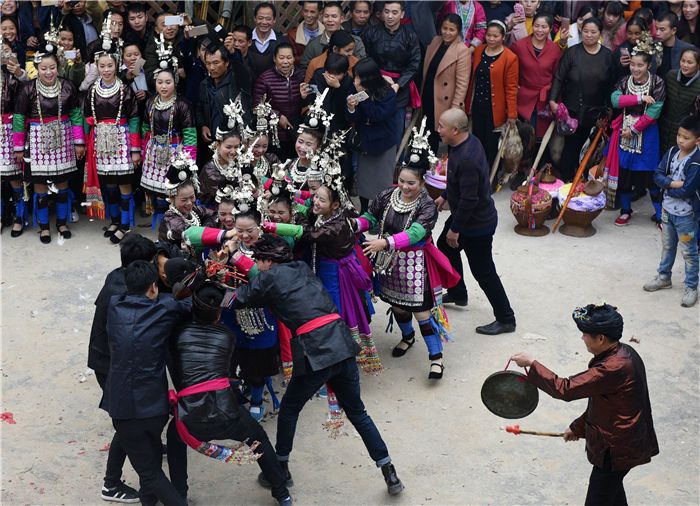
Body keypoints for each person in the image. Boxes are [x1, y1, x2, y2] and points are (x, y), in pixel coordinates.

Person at [229, 234, 404, 497]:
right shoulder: (300, 267)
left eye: (259, 261)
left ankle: (282, 469)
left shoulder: (267, 277)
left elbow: (239, 298)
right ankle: (389, 472)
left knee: (289, 410)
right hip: (342, 343)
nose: (259, 265)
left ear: (266, 261)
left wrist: (230, 263)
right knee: (358, 413)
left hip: (316, 350)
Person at [510, 303, 658, 506]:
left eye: (585, 334)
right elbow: (607, 405)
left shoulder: (612, 367)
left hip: (616, 448)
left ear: (600, 338)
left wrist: (533, 363)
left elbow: (565, 389)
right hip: (622, 441)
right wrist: (578, 427)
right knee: (611, 494)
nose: (582, 338)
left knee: (600, 496)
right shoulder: (624, 352)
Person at [165, 281, 293, 506]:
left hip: (189, 416)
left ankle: (180, 496)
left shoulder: (176, 334)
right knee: (259, 438)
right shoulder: (227, 336)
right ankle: (282, 493)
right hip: (228, 412)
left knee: (174, 441)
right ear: (218, 314)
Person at [355, 121, 459, 379]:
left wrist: (385, 242)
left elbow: (416, 233)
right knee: (398, 307)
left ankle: (436, 359)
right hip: (389, 263)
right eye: (401, 180)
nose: (404, 186)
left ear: (423, 182)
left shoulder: (427, 206)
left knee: (422, 311)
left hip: (416, 264)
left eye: (411, 182)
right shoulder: (387, 195)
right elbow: (371, 216)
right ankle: (407, 336)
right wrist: (354, 224)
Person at [102, 260, 190, 506]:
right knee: (150, 469)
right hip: (154, 406)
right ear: (153, 287)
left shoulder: (114, 306)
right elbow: (189, 305)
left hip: (122, 408)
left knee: (149, 471)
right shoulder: (165, 307)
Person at [88, 234, 156, 504]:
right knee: (127, 423)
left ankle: (148, 445)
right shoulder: (124, 297)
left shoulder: (119, 277)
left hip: (110, 360)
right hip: (111, 365)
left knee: (135, 419)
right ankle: (111, 483)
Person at [435, 108, 516, 335]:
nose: (437, 130)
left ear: (455, 130)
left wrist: (455, 229)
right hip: (466, 214)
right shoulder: (464, 143)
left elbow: (470, 198)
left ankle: (506, 318)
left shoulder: (468, 158)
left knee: (483, 271)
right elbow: (460, 183)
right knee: (444, 246)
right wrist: (444, 194)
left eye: (441, 126)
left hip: (476, 223)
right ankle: (459, 293)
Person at [12, 39, 86, 244]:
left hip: (63, 137)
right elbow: (19, 117)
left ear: (58, 66)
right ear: (36, 67)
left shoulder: (67, 86)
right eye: (43, 68)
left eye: (52, 67)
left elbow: (76, 114)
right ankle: (44, 227)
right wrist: (18, 146)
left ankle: (62, 223)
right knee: (40, 185)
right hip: (37, 140)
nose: (48, 72)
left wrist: (79, 141)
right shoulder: (27, 89)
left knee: (63, 182)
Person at [83, 30, 141, 243]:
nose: (106, 70)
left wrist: (135, 149)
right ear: (96, 67)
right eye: (102, 66)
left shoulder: (125, 90)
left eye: (110, 66)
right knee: (108, 184)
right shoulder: (92, 91)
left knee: (123, 182)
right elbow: (86, 117)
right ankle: (115, 220)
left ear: (117, 66)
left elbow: (134, 119)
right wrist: (84, 142)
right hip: (100, 143)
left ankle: (125, 224)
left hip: (122, 141)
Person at [603, 36, 666, 227]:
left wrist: (635, 129)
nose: (635, 69)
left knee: (650, 177)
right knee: (624, 175)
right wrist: (639, 98)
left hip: (647, 134)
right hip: (624, 132)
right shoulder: (624, 81)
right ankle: (625, 210)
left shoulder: (657, 83)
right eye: (632, 64)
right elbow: (615, 100)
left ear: (648, 65)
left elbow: (655, 111)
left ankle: (659, 214)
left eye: (640, 65)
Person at [644, 114, 700, 308]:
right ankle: (664, 277)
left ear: (697, 140)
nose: (680, 140)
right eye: (679, 135)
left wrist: (666, 184)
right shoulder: (671, 153)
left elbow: (688, 190)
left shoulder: (697, 163)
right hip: (667, 213)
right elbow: (657, 175)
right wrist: (673, 183)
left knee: (689, 252)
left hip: (686, 217)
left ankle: (691, 287)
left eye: (686, 138)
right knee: (668, 246)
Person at [549, 17, 614, 182]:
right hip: (573, 111)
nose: (589, 35)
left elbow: (612, 84)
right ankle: (567, 182)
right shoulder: (573, 52)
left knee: (590, 150)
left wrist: (609, 110)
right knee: (570, 148)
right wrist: (553, 100)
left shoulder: (607, 56)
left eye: (593, 32)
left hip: (596, 113)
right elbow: (559, 77)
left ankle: (585, 181)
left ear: (600, 34)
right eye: (586, 31)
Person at [141, 38, 196, 225]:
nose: (163, 86)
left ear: (176, 82)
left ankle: (170, 225)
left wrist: (189, 160)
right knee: (156, 192)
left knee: (170, 191)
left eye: (168, 82)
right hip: (154, 151)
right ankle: (158, 226)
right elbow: (144, 128)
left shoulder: (182, 104)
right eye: (159, 82)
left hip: (175, 152)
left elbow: (189, 134)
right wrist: (142, 150)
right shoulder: (150, 102)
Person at [362, 1, 421, 140]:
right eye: (387, 11)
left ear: (402, 14)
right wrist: (379, 76)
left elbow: (414, 64)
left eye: (394, 12)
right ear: (382, 12)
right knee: (372, 122)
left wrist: (398, 84)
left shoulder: (410, 36)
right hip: (375, 83)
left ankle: (396, 159)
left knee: (397, 127)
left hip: (399, 86)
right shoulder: (371, 32)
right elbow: (364, 58)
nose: (390, 16)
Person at [346, 58, 399, 214]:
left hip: (384, 143)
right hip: (365, 142)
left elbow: (377, 115)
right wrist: (351, 108)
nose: (355, 81)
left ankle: (381, 213)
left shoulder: (387, 92)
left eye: (358, 77)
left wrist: (363, 98)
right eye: (355, 76)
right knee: (364, 180)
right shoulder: (355, 89)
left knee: (382, 181)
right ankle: (364, 211)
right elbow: (352, 118)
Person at [465, 20, 519, 167]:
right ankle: (478, 172)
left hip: (495, 109)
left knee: (492, 145)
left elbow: (511, 88)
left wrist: (512, 114)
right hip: (477, 105)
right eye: (489, 35)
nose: (491, 39)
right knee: (477, 141)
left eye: (495, 36)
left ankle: (491, 177)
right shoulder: (478, 51)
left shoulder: (510, 57)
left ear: (503, 37)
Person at [422, 13, 470, 153]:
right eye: (444, 28)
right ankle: (426, 169)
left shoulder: (462, 50)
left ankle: (444, 171)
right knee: (428, 135)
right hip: (429, 97)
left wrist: (455, 109)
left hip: (446, 104)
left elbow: (462, 84)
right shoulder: (435, 41)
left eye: (452, 29)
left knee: (446, 138)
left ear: (458, 31)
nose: (447, 32)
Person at [511, 13, 561, 140]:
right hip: (523, 97)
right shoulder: (520, 46)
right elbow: (510, 69)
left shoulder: (555, 49)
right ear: (532, 26)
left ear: (550, 29)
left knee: (540, 138)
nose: (539, 30)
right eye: (537, 26)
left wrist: (554, 99)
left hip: (544, 99)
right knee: (522, 137)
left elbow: (557, 76)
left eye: (544, 27)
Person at [253, 43, 305, 160]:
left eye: (289, 57)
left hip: (297, 132)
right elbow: (257, 106)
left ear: (294, 59)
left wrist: (304, 97)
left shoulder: (301, 74)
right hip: (275, 134)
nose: (285, 61)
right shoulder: (265, 78)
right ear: (274, 59)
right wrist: (277, 116)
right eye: (281, 58)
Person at [196, 44, 252, 147]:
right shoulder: (204, 84)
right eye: (208, 63)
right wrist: (203, 125)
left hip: (235, 140)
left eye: (216, 63)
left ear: (226, 62)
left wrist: (233, 52)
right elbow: (199, 107)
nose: (212, 67)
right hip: (213, 139)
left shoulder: (237, 81)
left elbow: (242, 69)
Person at [158, 151, 216, 246]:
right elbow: (190, 233)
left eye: (192, 197)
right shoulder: (170, 219)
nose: (189, 203)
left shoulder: (194, 210)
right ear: (172, 198)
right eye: (184, 200)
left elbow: (213, 215)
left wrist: (206, 227)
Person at [1, 45, 25, 238]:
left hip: (10, 129)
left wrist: (18, 71)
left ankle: (19, 217)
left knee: (14, 175)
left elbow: (29, 85)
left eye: (6, 49)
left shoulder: (17, 76)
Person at [299, 2, 366, 68]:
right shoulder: (313, 44)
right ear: (322, 18)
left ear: (342, 19)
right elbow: (304, 68)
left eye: (334, 16)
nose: (330, 20)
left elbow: (362, 68)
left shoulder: (356, 41)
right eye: (326, 16)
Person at [660, 48, 700, 154]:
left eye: (690, 62)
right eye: (683, 61)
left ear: (698, 64)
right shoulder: (670, 76)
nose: (685, 65)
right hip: (663, 127)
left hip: (685, 134)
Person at [248, 2, 288, 80]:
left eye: (268, 19)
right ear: (255, 19)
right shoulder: (246, 39)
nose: (264, 22)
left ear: (274, 20)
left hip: (274, 87)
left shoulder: (282, 41)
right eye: (260, 18)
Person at [655, 12, 696, 77]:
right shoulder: (651, 46)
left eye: (662, 29)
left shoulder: (688, 49)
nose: (657, 33)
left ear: (673, 30)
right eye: (656, 29)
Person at [286, 0, 324, 65]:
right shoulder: (292, 35)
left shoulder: (326, 32)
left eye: (312, 12)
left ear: (320, 13)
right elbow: (291, 58)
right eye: (305, 11)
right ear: (302, 11)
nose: (308, 15)